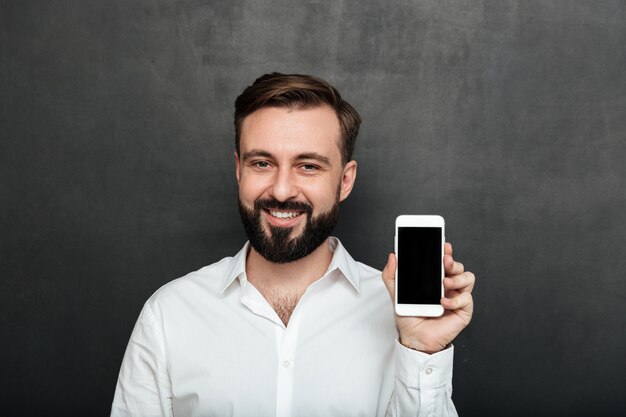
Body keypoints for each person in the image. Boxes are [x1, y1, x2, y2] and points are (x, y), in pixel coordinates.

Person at [111, 73, 475, 417]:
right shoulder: (168, 315)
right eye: (262, 163)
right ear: (239, 170)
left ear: (345, 181)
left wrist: (421, 351)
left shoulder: (395, 315)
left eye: (308, 167)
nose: (282, 190)